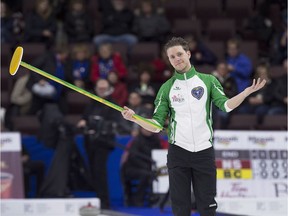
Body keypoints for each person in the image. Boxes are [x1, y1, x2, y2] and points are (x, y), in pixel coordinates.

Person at [121, 37, 266, 216]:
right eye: (172, 56)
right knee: (180, 209)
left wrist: (245, 93)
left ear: (188, 54)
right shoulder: (166, 88)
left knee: (207, 207)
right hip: (178, 153)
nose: (177, 59)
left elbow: (226, 106)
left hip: (204, 152)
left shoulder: (208, 81)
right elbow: (156, 126)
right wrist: (134, 118)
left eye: (180, 54)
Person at [77, 79, 120, 209]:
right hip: (90, 142)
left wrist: (94, 125)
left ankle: (104, 201)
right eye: (99, 88)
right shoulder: (92, 102)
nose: (101, 90)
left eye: (104, 88)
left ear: (109, 88)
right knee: (93, 171)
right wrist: (85, 122)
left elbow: (112, 122)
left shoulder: (112, 104)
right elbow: (85, 118)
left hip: (103, 142)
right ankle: (97, 199)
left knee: (100, 171)